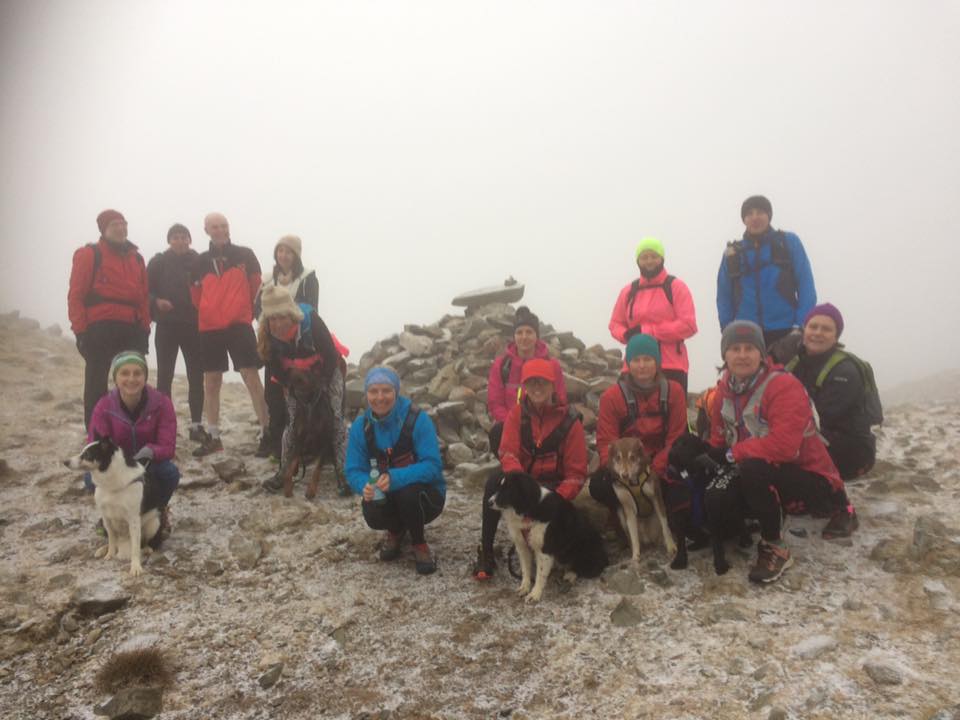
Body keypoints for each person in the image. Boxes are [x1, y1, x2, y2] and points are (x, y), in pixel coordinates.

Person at [704, 320, 857, 584]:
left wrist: (732, 455)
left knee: (752, 468)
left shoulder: (783, 386)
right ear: (724, 355)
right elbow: (719, 439)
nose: (742, 355)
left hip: (811, 478)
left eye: (750, 348)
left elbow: (784, 447)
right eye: (735, 348)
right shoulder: (723, 393)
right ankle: (758, 515)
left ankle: (775, 545)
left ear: (762, 354)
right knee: (718, 493)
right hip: (765, 472)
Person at [473, 358, 587, 580]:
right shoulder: (517, 414)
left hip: (555, 484)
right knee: (493, 484)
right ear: (524, 386)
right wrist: (519, 482)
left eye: (543, 383)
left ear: (553, 386)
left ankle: (557, 550)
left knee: (557, 513)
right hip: (524, 480)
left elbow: (576, 473)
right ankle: (486, 550)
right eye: (531, 383)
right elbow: (508, 453)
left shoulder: (570, 421)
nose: (537, 388)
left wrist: (558, 498)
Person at [345, 367, 445, 575]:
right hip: (386, 492)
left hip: (426, 496)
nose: (380, 398)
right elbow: (353, 469)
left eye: (386, 391)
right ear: (366, 394)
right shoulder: (360, 427)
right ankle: (396, 530)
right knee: (373, 505)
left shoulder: (418, 419)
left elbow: (433, 466)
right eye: (373, 391)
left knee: (408, 494)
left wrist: (395, 477)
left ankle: (419, 543)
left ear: (397, 392)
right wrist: (365, 485)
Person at [189, 212, 269, 457]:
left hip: (239, 325)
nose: (220, 230)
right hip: (210, 328)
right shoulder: (199, 262)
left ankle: (267, 431)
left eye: (224, 225)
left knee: (251, 376)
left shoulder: (245, 254)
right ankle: (213, 436)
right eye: (215, 226)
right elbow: (195, 296)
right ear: (206, 230)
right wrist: (210, 310)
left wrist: (244, 312)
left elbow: (257, 287)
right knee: (211, 381)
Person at [256, 285, 349, 495]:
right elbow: (276, 371)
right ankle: (284, 471)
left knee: (335, 419)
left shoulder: (311, 322)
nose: (277, 324)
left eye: (282, 317)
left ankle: (344, 474)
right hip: (295, 381)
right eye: (272, 319)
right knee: (292, 423)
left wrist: (320, 385)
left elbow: (331, 357)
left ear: (291, 313)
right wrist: (293, 387)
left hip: (325, 371)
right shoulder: (267, 338)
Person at [589, 333, 688, 521]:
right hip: (625, 466)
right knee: (598, 486)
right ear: (628, 363)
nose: (642, 365)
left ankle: (668, 516)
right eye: (636, 360)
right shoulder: (612, 397)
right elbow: (606, 443)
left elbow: (676, 438)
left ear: (657, 362)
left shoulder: (674, 391)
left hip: (661, 464)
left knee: (682, 481)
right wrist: (620, 472)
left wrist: (652, 472)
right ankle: (623, 515)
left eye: (648, 359)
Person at [68, 209, 150, 427]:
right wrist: (80, 331)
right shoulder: (89, 254)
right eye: (115, 225)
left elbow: (143, 297)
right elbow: (76, 295)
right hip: (99, 327)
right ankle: (96, 434)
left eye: (124, 223)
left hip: (131, 327)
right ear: (104, 229)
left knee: (133, 382)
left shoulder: (137, 259)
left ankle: (132, 430)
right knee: (96, 382)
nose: (121, 228)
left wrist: (145, 328)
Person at [87, 351, 180, 539]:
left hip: (149, 465)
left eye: (137, 373)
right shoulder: (104, 406)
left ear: (145, 376)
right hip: (118, 467)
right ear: (115, 378)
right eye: (124, 373)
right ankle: (111, 517)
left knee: (170, 474)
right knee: (90, 479)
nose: (131, 379)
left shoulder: (161, 403)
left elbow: (168, 447)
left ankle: (158, 511)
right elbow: (95, 447)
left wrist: (150, 451)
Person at [786, 303, 878, 480]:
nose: (818, 333)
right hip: (815, 438)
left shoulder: (845, 371)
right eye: (813, 327)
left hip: (851, 452)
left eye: (826, 329)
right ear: (804, 331)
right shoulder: (795, 364)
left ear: (836, 337)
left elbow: (820, 417)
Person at [716, 195, 817, 348]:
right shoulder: (733, 254)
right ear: (744, 219)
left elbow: (806, 285)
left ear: (769, 216)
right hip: (746, 334)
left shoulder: (788, 242)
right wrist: (727, 329)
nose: (755, 217)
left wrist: (801, 326)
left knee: (788, 373)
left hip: (787, 331)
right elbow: (723, 296)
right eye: (749, 213)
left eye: (760, 212)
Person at [254, 235, 319, 458]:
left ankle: (302, 443)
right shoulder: (267, 279)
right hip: (272, 341)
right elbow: (256, 308)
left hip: (298, 343)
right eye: (280, 251)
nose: (284, 255)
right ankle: (274, 442)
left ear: (296, 255)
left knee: (299, 393)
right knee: (273, 393)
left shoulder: (307, 278)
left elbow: (311, 308)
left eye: (289, 251)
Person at [608, 237, 698, 393]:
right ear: (638, 261)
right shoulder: (629, 291)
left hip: (670, 364)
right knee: (625, 412)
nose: (649, 261)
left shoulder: (676, 287)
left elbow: (688, 325)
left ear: (662, 259)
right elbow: (615, 323)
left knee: (672, 414)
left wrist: (647, 331)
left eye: (654, 256)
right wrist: (626, 334)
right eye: (644, 257)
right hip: (633, 365)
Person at [147, 223, 204, 441]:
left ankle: (196, 425)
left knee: (196, 377)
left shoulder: (200, 261)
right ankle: (165, 425)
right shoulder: (158, 262)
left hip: (194, 326)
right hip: (167, 326)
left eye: (184, 237)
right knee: (164, 377)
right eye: (175, 237)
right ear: (169, 240)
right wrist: (156, 301)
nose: (180, 241)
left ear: (190, 239)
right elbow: (145, 290)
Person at [486, 306, 567, 455]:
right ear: (514, 336)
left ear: (537, 336)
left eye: (529, 332)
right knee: (497, 432)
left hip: (542, 427)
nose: (524, 337)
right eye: (519, 332)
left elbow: (560, 399)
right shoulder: (502, 365)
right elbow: (495, 402)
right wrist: (513, 424)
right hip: (510, 425)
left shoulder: (551, 365)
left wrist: (537, 426)